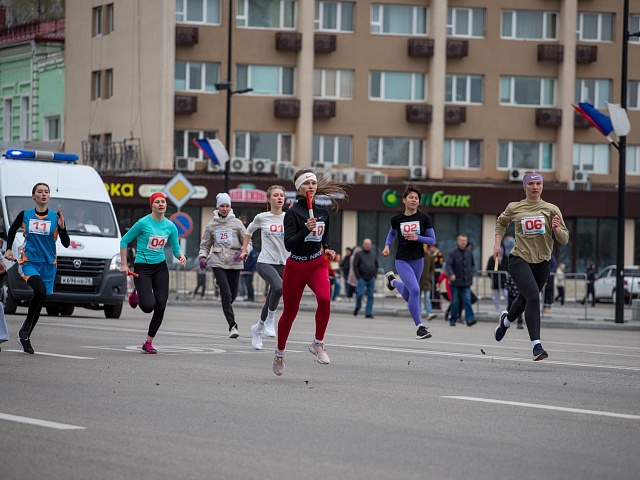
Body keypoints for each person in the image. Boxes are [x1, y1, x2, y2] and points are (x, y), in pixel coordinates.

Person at [272, 169, 347, 376]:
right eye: (306, 184)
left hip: (316, 264)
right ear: (299, 188)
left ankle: (318, 343)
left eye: (313, 183)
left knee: (325, 299)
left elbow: (324, 237)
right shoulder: (293, 213)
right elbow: (290, 245)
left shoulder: (323, 212)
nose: (311, 187)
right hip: (296, 266)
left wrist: (328, 248)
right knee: (290, 312)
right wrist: (305, 228)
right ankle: (279, 353)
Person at [493, 171, 569, 361]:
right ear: (525, 187)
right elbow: (501, 223)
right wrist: (497, 244)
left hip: (542, 263)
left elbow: (565, 239)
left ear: (542, 186)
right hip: (519, 259)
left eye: (538, 184)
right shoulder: (515, 207)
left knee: (524, 300)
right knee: (534, 296)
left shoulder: (552, 209)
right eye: (531, 184)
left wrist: (557, 229)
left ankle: (506, 321)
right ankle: (536, 346)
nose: (535, 187)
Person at [4, 183, 71, 354]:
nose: (43, 194)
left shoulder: (56, 217)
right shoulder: (25, 215)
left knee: (40, 299)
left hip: (48, 265)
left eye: (46, 192)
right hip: (29, 262)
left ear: (49, 196)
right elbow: (11, 230)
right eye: (40, 192)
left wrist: (63, 227)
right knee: (39, 291)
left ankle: (24, 336)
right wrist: (9, 249)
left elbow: (66, 243)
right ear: (33, 196)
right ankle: (26, 327)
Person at [119, 192, 186, 354]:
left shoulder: (170, 226)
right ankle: (137, 293)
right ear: (152, 205)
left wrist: (181, 255)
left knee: (161, 305)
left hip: (160, 267)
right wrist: (124, 264)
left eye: (163, 201)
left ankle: (148, 342)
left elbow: (176, 248)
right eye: (157, 202)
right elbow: (124, 240)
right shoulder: (143, 223)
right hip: (143, 267)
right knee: (148, 306)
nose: (161, 204)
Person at [382, 185, 436, 339]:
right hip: (402, 260)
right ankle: (419, 327)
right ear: (404, 200)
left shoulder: (424, 218)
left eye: (417, 198)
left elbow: (432, 240)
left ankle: (392, 281)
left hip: (418, 260)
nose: (414, 200)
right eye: (411, 197)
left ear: (419, 202)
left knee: (408, 294)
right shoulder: (397, 219)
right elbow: (392, 233)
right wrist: (387, 246)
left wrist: (417, 237)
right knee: (416, 291)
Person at [242, 185, 288, 350]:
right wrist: (244, 250)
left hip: (284, 263)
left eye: (281, 195)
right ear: (269, 199)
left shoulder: (289, 217)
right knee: (278, 286)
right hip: (265, 261)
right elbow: (249, 231)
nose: (279, 198)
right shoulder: (262, 217)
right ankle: (270, 320)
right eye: (275, 195)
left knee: (273, 295)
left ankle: (258, 328)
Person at [199, 193, 247, 338]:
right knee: (225, 293)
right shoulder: (212, 225)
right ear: (217, 207)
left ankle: (220, 283)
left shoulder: (237, 223)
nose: (225, 209)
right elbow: (205, 244)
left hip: (234, 262)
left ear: (230, 207)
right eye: (222, 206)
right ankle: (233, 326)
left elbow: (247, 241)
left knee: (231, 295)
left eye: (227, 206)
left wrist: (244, 252)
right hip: (218, 262)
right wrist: (202, 256)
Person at [445, 234, 477, 327]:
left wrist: (471, 273)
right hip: (455, 282)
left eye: (465, 241)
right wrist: (451, 274)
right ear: (458, 241)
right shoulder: (452, 253)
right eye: (461, 240)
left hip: (466, 282)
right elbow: (448, 265)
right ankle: (453, 319)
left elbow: (472, 265)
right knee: (455, 302)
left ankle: (470, 319)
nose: (463, 242)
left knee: (467, 300)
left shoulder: (469, 253)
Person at [353, 238, 378, 319]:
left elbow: (376, 265)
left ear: (371, 245)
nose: (367, 246)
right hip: (361, 278)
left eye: (369, 244)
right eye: (366, 244)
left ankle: (368, 312)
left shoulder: (373, 254)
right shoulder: (359, 254)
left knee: (370, 296)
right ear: (363, 245)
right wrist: (358, 276)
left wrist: (375, 275)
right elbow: (355, 266)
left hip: (371, 278)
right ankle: (358, 306)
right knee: (360, 294)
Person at [486, 246, 509, 316]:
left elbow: (509, 268)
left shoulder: (506, 258)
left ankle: (509, 310)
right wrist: (492, 276)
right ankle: (497, 311)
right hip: (495, 280)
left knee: (507, 295)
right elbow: (488, 269)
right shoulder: (492, 258)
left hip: (504, 280)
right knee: (496, 297)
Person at [419, 244, 437, 321]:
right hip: (418, 280)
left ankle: (429, 312)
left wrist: (429, 276)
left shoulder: (429, 256)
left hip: (426, 280)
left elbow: (432, 268)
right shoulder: (416, 255)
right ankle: (417, 313)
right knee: (417, 298)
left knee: (427, 297)